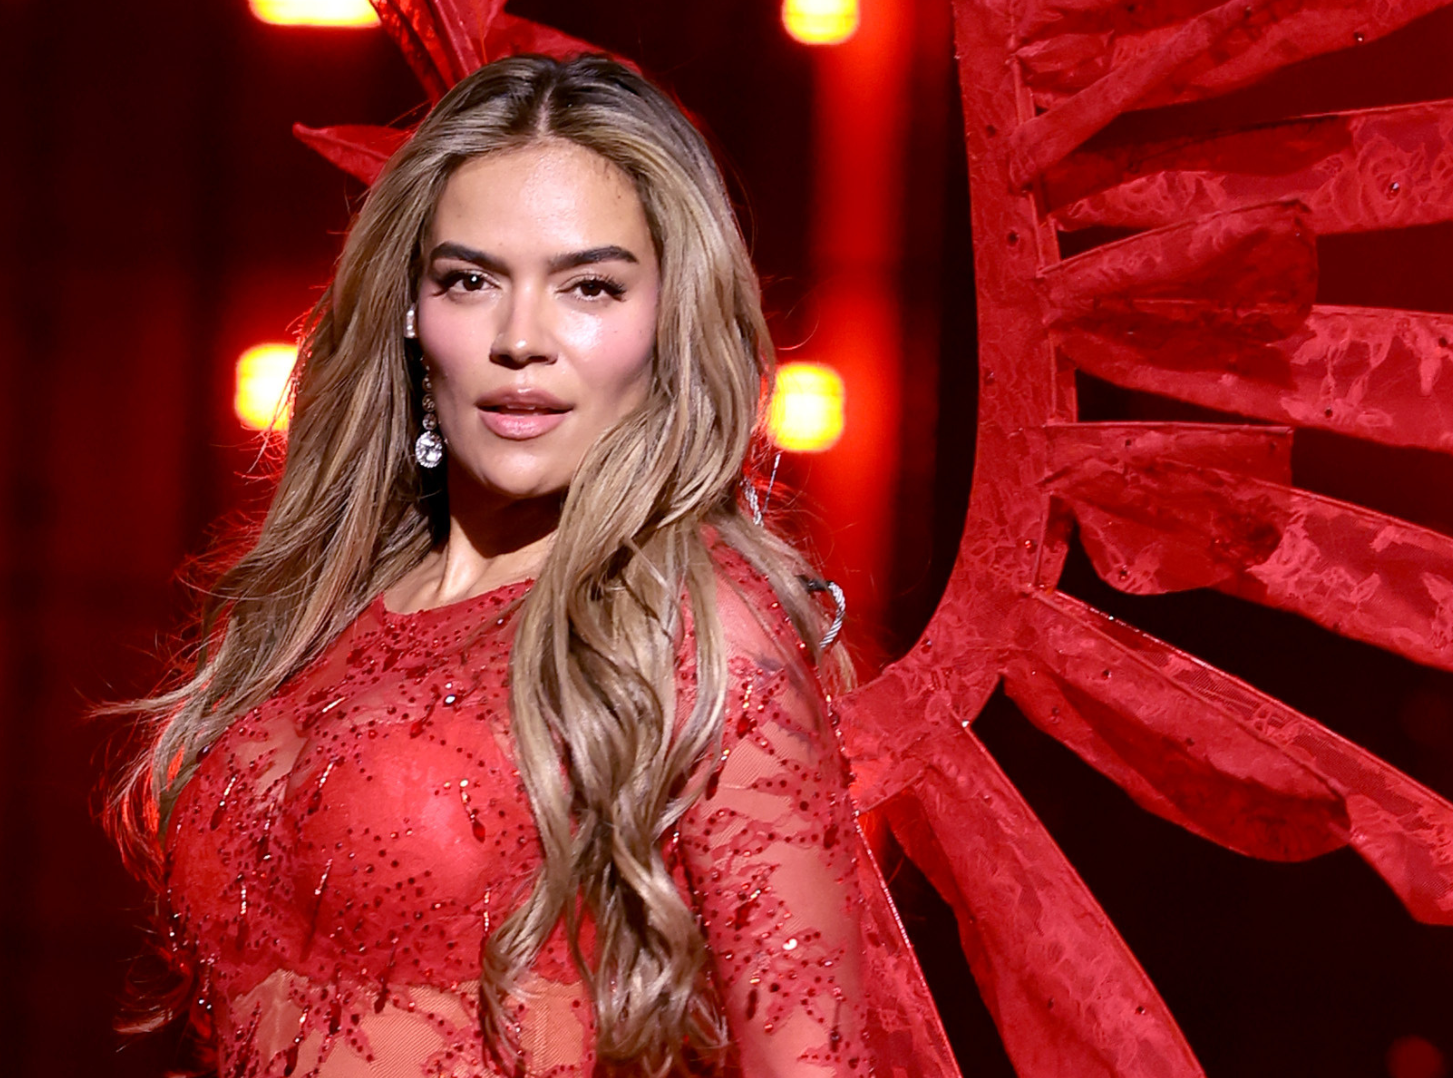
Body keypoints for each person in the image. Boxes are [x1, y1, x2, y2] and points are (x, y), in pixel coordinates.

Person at [110, 54, 882, 1078]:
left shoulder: (699, 627)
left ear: (670, 320)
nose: (523, 339)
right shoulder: (305, 611)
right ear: (410, 311)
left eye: (590, 286)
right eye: (470, 280)